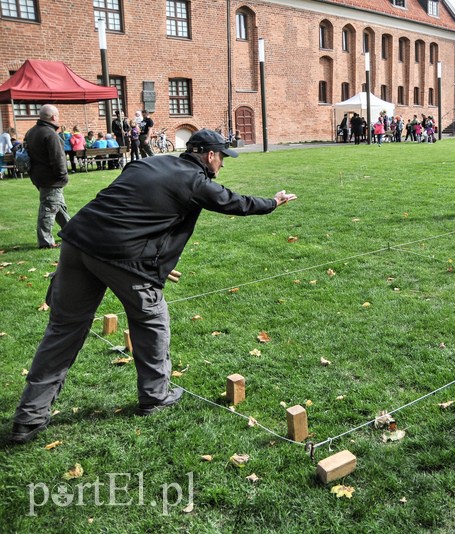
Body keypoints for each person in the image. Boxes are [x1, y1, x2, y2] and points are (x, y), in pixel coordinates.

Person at [9, 129, 298, 444]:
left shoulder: (147, 163)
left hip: (78, 243)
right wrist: (273, 201)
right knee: (152, 320)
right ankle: (155, 396)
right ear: (210, 156)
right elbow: (233, 202)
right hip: (121, 256)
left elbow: (135, 210)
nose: (223, 166)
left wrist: (156, 264)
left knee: (62, 331)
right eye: (222, 158)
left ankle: (28, 418)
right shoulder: (196, 182)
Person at [26, 104, 70, 249]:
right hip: (51, 178)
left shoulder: (31, 132)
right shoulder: (50, 134)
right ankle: (45, 241)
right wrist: (63, 176)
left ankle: (72, 233)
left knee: (58, 207)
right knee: (48, 209)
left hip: (38, 176)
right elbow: (58, 159)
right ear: (53, 117)